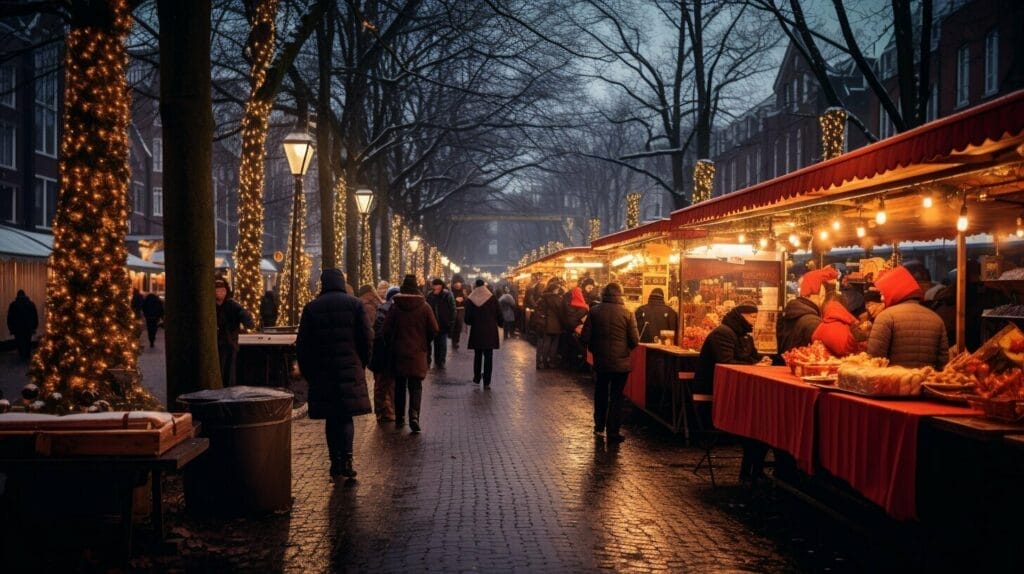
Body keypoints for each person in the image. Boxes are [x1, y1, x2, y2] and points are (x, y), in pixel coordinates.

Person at [295, 268, 372, 480]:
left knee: (331, 418)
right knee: (346, 418)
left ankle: (334, 462)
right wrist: (361, 364)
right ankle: (347, 460)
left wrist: (310, 373)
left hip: (323, 372)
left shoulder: (311, 308)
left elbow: (303, 345)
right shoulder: (355, 305)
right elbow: (366, 338)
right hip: (349, 369)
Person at [692, 301, 772, 479]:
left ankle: (751, 472)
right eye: (752, 316)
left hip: (733, 396)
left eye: (756, 317)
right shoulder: (723, 333)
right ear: (740, 315)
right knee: (754, 430)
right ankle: (750, 473)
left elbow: (753, 356)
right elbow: (726, 363)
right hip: (712, 399)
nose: (754, 320)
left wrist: (762, 360)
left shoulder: (744, 335)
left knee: (760, 426)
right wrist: (755, 364)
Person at [580, 283, 639, 443]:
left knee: (601, 393)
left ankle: (599, 427)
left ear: (603, 294)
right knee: (617, 396)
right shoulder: (627, 313)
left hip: (601, 362)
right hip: (621, 364)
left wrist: (594, 349)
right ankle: (613, 432)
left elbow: (584, 337)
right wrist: (625, 348)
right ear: (620, 294)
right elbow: (635, 340)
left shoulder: (594, 312)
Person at [382, 275, 439, 432]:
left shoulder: (395, 306)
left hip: (398, 353)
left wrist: (392, 343)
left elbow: (385, 329)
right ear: (417, 288)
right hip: (417, 353)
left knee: (400, 385)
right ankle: (414, 416)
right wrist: (424, 341)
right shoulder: (425, 306)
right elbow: (434, 329)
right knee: (415, 386)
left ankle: (400, 418)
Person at [867, 265, 949, 370]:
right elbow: (943, 363)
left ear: (893, 291)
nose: (882, 298)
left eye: (883, 293)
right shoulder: (936, 319)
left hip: (893, 383)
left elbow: (874, 361)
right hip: (926, 383)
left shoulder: (886, 317)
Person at [777, 266, 838, 353]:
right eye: (825, 295)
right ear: (821, 294)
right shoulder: (813, 322)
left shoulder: (792, 311)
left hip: (788, 364)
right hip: (803, 365)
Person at [214, 277, 255, 387]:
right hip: (216, 344)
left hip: (229, 343)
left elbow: (244, 315)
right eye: (217, 291)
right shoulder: (211, 306)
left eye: (222, 290)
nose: (220, 293)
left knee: (229, 372)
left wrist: (247, 321)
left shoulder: (232, 305)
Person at [370, 287, 400, 423]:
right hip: (388, 353)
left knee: (381, 384)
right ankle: (388, 412)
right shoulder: (397, 310)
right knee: (389, 384)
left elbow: (377, 332)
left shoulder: (381, 309)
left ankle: (382, 412)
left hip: (380, 353)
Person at [465, 279, 501, 387]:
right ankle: (487, 381)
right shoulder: (492, 298)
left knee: (478, 355)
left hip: (477, 331)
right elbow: (499, 314)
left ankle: (476, 377)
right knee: (488, 356)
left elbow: (467, 319)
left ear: (475, 286)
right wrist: (500, 323)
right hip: (490, 331)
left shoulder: (471, 299)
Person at [534, 279, 567, 369]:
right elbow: (561, 312)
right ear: (554, 290)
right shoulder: (556, 299)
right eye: (557, 289)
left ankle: (542, 362)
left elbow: (536, 309)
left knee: (545, 343)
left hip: (543, 324)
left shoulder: (542, 298)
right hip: (555, 325)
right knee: (553, 344)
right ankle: (551, 361)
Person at [425, 278, 456, 369]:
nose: (436, 287)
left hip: (443, 323)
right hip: (431, 323)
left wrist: (451, 321)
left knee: (441, 343)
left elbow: (453, 308)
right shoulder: (430, 295)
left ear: (441, 285)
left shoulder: (447, 295)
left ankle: (440, 361)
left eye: (437, 285)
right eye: (434, 285)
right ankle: (429, 360)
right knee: (430, 343)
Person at [6, 290, 38, 361]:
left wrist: (11, 328)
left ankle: (22, 355)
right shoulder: (31, 304)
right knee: (27, 342)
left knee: (19, 342)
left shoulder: (13, 305)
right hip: (28, 327)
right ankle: (27, 355)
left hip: (17, 328)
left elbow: (10, 318)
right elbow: (35, 316)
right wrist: (34, 327)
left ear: (17, 296)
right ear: (25, 295)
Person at [564, 286, 590, 369]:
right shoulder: (583, 307)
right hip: (576, 329)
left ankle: (570, 363)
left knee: (571, 347)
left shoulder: (569, 304)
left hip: (569, 329)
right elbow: (584, 320)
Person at [450, 277, 468, 350]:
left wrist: (463, 301)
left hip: (461, 310)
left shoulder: (463, 292)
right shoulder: (450, 292)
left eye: (459, 283)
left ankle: (456, 341)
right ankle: (453, 340)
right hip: (453, 310)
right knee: (454, 325)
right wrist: (455, 300)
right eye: (456, 283)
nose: (458, 285)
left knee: (459, 326)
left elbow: (467, 302)